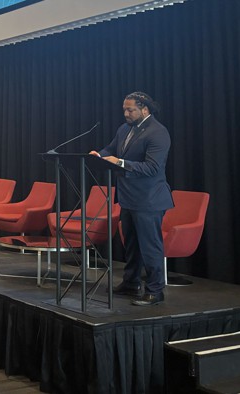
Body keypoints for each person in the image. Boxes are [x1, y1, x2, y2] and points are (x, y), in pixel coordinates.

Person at [90, 92, 174, 306]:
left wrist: (120, 163)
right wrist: (98, 155)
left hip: (149, 199)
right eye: (124, 109)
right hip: (128, 197)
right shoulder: (124, 129)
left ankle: (155, 290)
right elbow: (111, 149)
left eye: (130, 110)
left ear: (144, 109)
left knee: (149, 245)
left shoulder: (158, 132)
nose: (126, 113)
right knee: (131, 245)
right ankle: (131, 283)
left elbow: (152, 167)